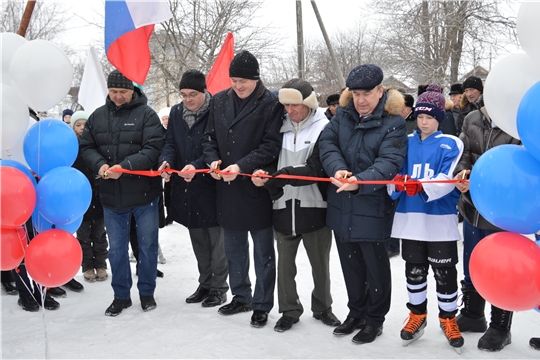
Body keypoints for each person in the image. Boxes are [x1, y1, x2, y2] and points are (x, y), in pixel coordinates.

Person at [318, 64, 408, 344]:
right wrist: (338, 170)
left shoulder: (393, 122)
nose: (361, 99)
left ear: (381, 91)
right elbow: (327, 144)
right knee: (350, 265)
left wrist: (360, 180)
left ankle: (374, 319)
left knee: (375, 268)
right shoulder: (342, 115)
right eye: (355, 93)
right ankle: (355, 312)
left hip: (372, 207)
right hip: (342, 206)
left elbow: (390, 162)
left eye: (367, 93)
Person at [202, 50, 284, 328]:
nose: (239, 85)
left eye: (244, 81)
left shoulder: (270, 103)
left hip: (256, 186)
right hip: (227, 188)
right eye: (235, 79)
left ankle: (261, 304)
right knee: (234, 248)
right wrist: (212, 160)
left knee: (263, 252)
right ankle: (240, 296)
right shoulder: (220, 101)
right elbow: (209, 137)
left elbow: (271, 146)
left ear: (256, 79)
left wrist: (240, 166)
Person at [252, 78, 340, 333]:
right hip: (282, 208)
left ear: (308, 103)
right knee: (285, 267)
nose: (290, 110)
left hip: (315, 208)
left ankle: (323, 307)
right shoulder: (277, 128)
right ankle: (289, 310)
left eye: (295, 105)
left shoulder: (325, 128)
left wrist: (282, 174)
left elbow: (316, 169)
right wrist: (266, 181)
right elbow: (271, 165)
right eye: (286, 105)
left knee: (320, 266)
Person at [80, 69, 164, 316]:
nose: (118, 96)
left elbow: (154, 148)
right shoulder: (97, 117)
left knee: (147, 247)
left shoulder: (147, 115)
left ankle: (147, 293)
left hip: (144, 196)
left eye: (123, 92)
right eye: (114, 91)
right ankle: (121, 296)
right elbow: (87, 146)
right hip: (111, 198)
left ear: (133, 90)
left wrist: (125, 167)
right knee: (116, 250)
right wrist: (101, 165)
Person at [388, 85, 464, 351]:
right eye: (420, 117)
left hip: (439, 219)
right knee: (414, 271)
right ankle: (417, 316)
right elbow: (393, 173)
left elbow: (448, 178)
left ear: (439, 118)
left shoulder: (451, 143)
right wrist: (396, 184)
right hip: (411, 219)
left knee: (444, 272)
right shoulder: (406, 141)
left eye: (429, 117)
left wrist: (421, 186)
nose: (423, 122)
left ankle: (448, 318)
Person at [453, 94, 520, 351]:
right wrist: (462, 172)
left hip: (505, 210)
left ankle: (501, 327)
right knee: (472, 261)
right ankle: (473, 313)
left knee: (500, 268)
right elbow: (465, 153)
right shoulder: (472, 118)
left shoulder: (516, 124)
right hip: (472, 205)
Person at [159, 69, 228, 308]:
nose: (187, 99)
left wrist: (196, 165)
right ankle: (205, 283)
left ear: (204, 91)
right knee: (198, 238)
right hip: (186, 189)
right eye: (183, 95)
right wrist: (166, 162)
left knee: (217, 241)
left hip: (211, 186)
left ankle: (219, 288)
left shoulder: (216, 110)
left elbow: (218, 147)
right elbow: (170, 143)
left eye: (193, 94)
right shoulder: (177, 113)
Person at [70, 110, 109, 283]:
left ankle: (101, 265)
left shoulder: (97, 145)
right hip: (80, 199)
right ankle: (87, 266)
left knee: (100, 235)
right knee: (84, 236)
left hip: (98, 197)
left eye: (85, 124)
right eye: (78, 125)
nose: (82, 128)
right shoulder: (71, 148)